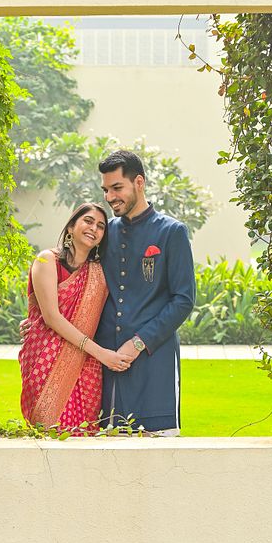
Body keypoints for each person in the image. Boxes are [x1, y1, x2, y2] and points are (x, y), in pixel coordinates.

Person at [96, 150, 195, 434]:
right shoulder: (105, 234)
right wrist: (42, 321)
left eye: (117, 188)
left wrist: (138, 343)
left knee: (157, 443)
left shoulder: (172, 232)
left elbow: (183, 300)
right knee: (107, 443)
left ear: (139, 182)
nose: (110, 197)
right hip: (108, 362)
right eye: (106, 190)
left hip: (155, 361)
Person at [18, 202, 133, 430]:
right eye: (88, 221)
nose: (94, 228)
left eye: (100, 226)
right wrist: (102, 354)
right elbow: (51, 317)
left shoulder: (99, 273)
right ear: (71, 226)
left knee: (83, 434)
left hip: (85, 365)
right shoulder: (47, 261)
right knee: (48, 432)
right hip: (45, 361)